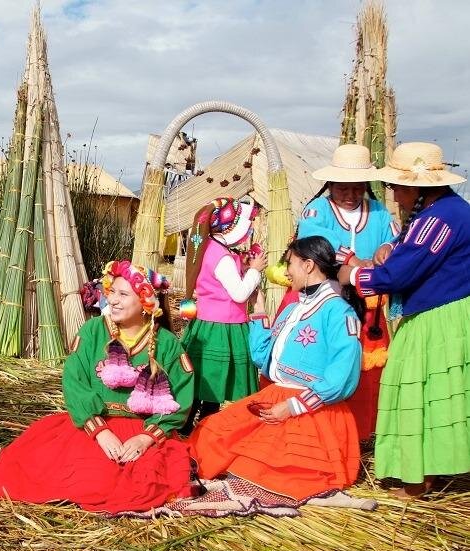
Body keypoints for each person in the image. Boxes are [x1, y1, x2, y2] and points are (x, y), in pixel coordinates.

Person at [171, 236, 374, 517]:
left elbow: (342, 378)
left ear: (308, 265)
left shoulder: (339, 313)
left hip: (312, 410)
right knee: (211, 433)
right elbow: (263, 358)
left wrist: (291, 407)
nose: (286, 271)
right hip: (274, 398)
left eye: (289, 264)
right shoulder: (294, 308)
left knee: (262, 468)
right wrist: (258, 310)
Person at [0, 260, 196, 514]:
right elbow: (75, 380)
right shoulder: (93, 331)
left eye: (123, 294)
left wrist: (145, 438)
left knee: (146, 482)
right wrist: (99, 431)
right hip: (95, 426)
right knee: (86, 477)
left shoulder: (167, 344)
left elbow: (181, 393)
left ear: (146, 302)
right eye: (112, 292)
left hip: (141, 432)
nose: (112, 300)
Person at [340, 142, 470, 499]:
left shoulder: (440, 219)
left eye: (397, 186)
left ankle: (418, 479)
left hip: (437, 317)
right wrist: (390, 248)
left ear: (418, 187)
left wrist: (351, 275)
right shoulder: (443, 210)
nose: (394, 193)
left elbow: (399, 275)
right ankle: (427, 470)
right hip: (443, 312)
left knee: (421, 393)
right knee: (435, 393)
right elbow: (411, 249)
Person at [293, 144, 399, 440]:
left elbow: (395, 237)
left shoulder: (378, 212)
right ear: (331, 184)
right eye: (343, 188)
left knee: (364, 366)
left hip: (368, 305)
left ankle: (361, 430)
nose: (351, 195)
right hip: (326, 302)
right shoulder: (317, 210)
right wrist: (351, 259)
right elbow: (313, 237)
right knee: (327, 360)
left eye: (357, 188)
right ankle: (320, 428)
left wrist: (386, 248)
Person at [179, 196, 265, 433]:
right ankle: (202, 434)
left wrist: (243, 266)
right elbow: (239, 293)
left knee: (202, 385)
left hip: (206, 326)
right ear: (231, 227)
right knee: (213, 388)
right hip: (222, 330)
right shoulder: (222, 257)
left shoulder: (208, 248)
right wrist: (255, 271)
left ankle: (186, 432)